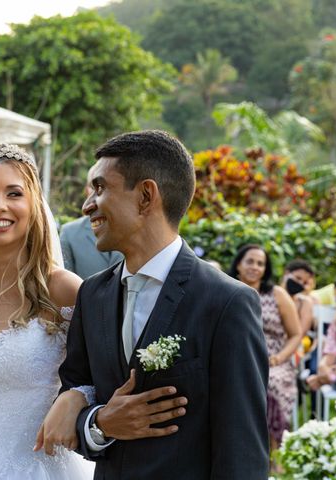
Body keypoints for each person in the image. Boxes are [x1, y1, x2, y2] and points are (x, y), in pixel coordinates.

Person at [0, 143, 184, 479]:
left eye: (13, 194)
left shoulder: (66, 291)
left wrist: (77, 399)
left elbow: (95, 380)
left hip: (45, 466)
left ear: (34, 205)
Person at [56, 130, 269, 479]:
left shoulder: (227, 302)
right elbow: (76, 390)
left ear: (145, 195)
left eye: (100, 188)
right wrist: (100, 424)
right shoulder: (92, 295)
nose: (87, 205)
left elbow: (242, 451)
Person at [228, 244, 302, 454]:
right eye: (250, 261)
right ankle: (238, 445)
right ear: (239, 265)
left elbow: (296, 334)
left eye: (260, 263)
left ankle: (273, 449)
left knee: (269, 382)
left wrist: (279, 358)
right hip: (236, 358)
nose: (255, 267)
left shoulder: (277, 294)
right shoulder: (226, 289)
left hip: (274, 360)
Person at [60, 165, 123, 279]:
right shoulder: (69, 233)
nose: (98, 192)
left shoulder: (134, 227)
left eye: (102, 186)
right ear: (86, 190)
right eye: (92, 186)